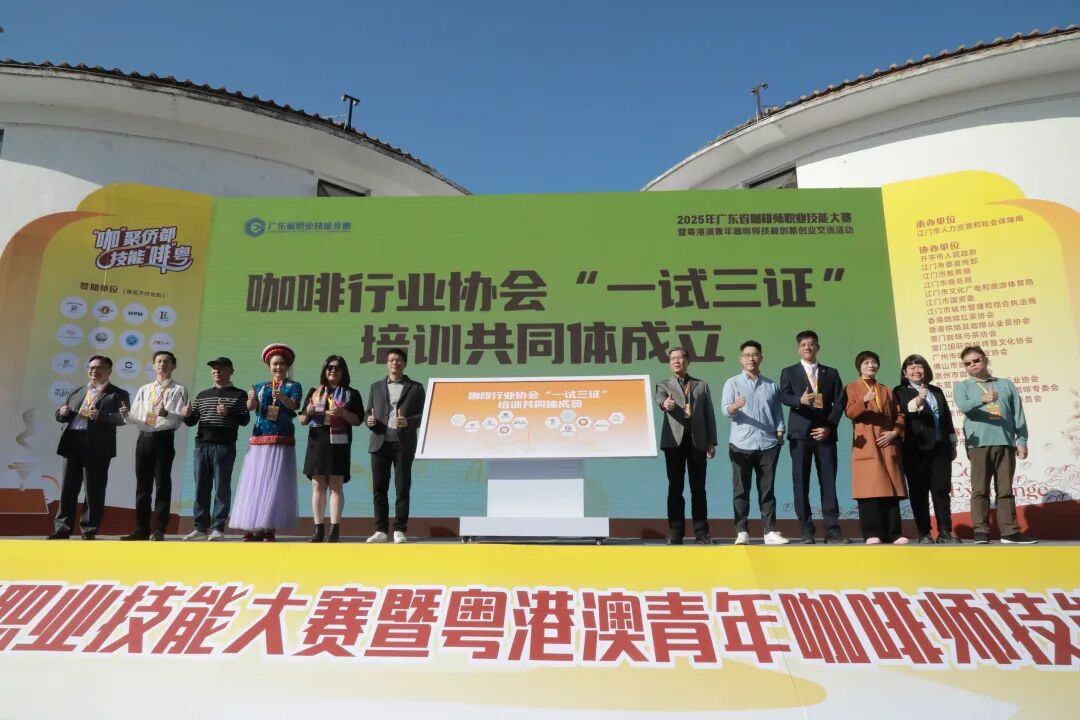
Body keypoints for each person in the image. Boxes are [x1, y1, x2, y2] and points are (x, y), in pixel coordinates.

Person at [952, 346, 1035, 544]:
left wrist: (1021, 440)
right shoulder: (962, 386)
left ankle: (1009, 532)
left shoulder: (1005, 384)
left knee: (1005, 490)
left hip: (1005, 442)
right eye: (967, 363)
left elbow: (1018, 413)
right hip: (979, 445)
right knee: (980, 489)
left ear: (986, 360)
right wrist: (983, 398)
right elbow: (963, 405)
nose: (973, 365)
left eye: (976, 360)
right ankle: (981, 531)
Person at [48, 356, 130, 540]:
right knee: (68, 488)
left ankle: (89, 529)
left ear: (109, 371)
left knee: (94, 489)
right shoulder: (77, 391)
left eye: (99, 368)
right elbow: (61, 415)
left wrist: (101, 415)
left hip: (98, 446)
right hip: (72, 441)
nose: (94, 371)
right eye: (91, 367)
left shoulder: (118, 393)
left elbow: (123, 419)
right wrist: (62, 413)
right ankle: (62, 528)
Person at [779, 330, 848, 544]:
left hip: (825, 434)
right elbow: (784, 396)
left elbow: (840, 403)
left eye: (812, 344)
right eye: (804, 345)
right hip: (800, 435)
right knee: (801, 482)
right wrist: (799, 401)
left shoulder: (831, 373)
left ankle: (833, 530)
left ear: (818, 347)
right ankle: (806, 529)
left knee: (828, 482)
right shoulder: (789, 372)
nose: (808, 348)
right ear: (798, 349)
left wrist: (829, 427)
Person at [230, 343, 302, 541]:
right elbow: (251, 407)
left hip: (281, 438)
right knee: (256, 483)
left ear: (287, 366)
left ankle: (269, 527)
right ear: (269, 366)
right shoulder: (261, 386)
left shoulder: (293, 386)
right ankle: (254, 526)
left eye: (282, 364)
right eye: (274, 364)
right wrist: (251, 400)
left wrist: (282, 397)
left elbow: (294, 406)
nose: (278, 367)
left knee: (275, 484)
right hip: (260, 438)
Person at [721, 340, 787, 546]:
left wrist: (780, 433)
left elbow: (777, 412)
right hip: (741, 444)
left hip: (768, 444)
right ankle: (742, 531)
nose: (751, 358)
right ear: (741, 359)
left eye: (755, 354)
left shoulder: (770, 384)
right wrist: (735, 406)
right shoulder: (732, 383)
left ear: (761, 358)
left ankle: (770, 531)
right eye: (747, 355)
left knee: (767, 490)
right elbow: (725, 410)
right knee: (741, 490)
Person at [120, 350, 189, 541]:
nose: (162, 365)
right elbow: (135, 417)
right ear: (153, 365)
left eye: (166, 361)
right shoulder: (145, 389)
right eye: (159, 361)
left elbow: (181, 418)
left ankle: (159, 529)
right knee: (142, 486)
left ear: (174, 365)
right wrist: (125, 415)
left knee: (162, 485)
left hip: (163, 439)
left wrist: (166, 413)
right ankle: (141, 529)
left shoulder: (179, 389)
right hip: (143, 438)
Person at [181, 357, 251, 541]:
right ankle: (200, 528)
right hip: (201, 446)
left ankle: (218, 528)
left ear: (231, 371)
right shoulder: (202, 395)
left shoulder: (239, 394)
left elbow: (245, 419)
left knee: (221, 488)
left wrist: (228, 413)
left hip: (224, 446)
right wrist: (186, 415)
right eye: (213, 368)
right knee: (200, 488)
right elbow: (192, 421)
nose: (216, 371)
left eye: (221, 368)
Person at [894, 354, 960, 544]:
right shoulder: (900, 391)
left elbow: (946, 418)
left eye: (920, 367)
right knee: (919, 492)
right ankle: (924, 532)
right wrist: (918, 400)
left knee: (941, 490)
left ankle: (945, 531)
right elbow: (904, 410)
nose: (917, 371)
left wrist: (952, 442)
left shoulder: (936, 391)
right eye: (912, 368)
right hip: (916, 450)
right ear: (905, 373)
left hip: (940, 448)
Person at [844, 350, 908, 545]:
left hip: (887, 441)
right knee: (869, 489)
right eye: (866, 363)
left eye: (874, 362)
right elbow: (849, 412)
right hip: (867, 444)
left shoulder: (886, 390)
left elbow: (899, 415)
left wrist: (895, 432)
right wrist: (864, 401)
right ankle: (872, 533)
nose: (871, 366)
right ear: (859, 367)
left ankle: (894, 533)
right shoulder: (852, 388)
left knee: (890, 488)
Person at [655, 347, 717, 545]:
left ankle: (701, 533)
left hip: (697, 442)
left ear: (688, 361)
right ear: (669, 363)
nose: (676, 361)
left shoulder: (701, 385)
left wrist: (711, 442)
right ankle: (675, 533)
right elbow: (661, 401)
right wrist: (666, 405)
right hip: (674, 442)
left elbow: (709, 415)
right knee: (675, 488)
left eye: (680, 357)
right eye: (672, 358)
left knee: (698, 489)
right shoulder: (663, 385)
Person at [299, 355, 364, 543]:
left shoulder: (352, 393)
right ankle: (318, 529)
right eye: (329, 367)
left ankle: (334, 530)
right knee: (317, 485)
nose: (333, 370)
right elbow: (302, 420)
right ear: (324, 370)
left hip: (339, 443)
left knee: (336, 485)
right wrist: (308, 411)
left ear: (343, 371)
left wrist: (343, 413)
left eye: (337, 368)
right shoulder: (314, 392)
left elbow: (358, 421)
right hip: (318, 441)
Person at [365, 348, 425, 544]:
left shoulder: (415, 388)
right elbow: (368, 413)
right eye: (391, 360)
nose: (395, 363)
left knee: (402, 487)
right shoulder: (375, 387)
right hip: (379, 442)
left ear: (405, 364)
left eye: (398, 360)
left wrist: (408, 421)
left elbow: (425, 415)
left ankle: (400, 529)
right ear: (387, 364)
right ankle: (380, 530)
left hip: (403, 443)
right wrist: (369, 421)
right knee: (379, 488)